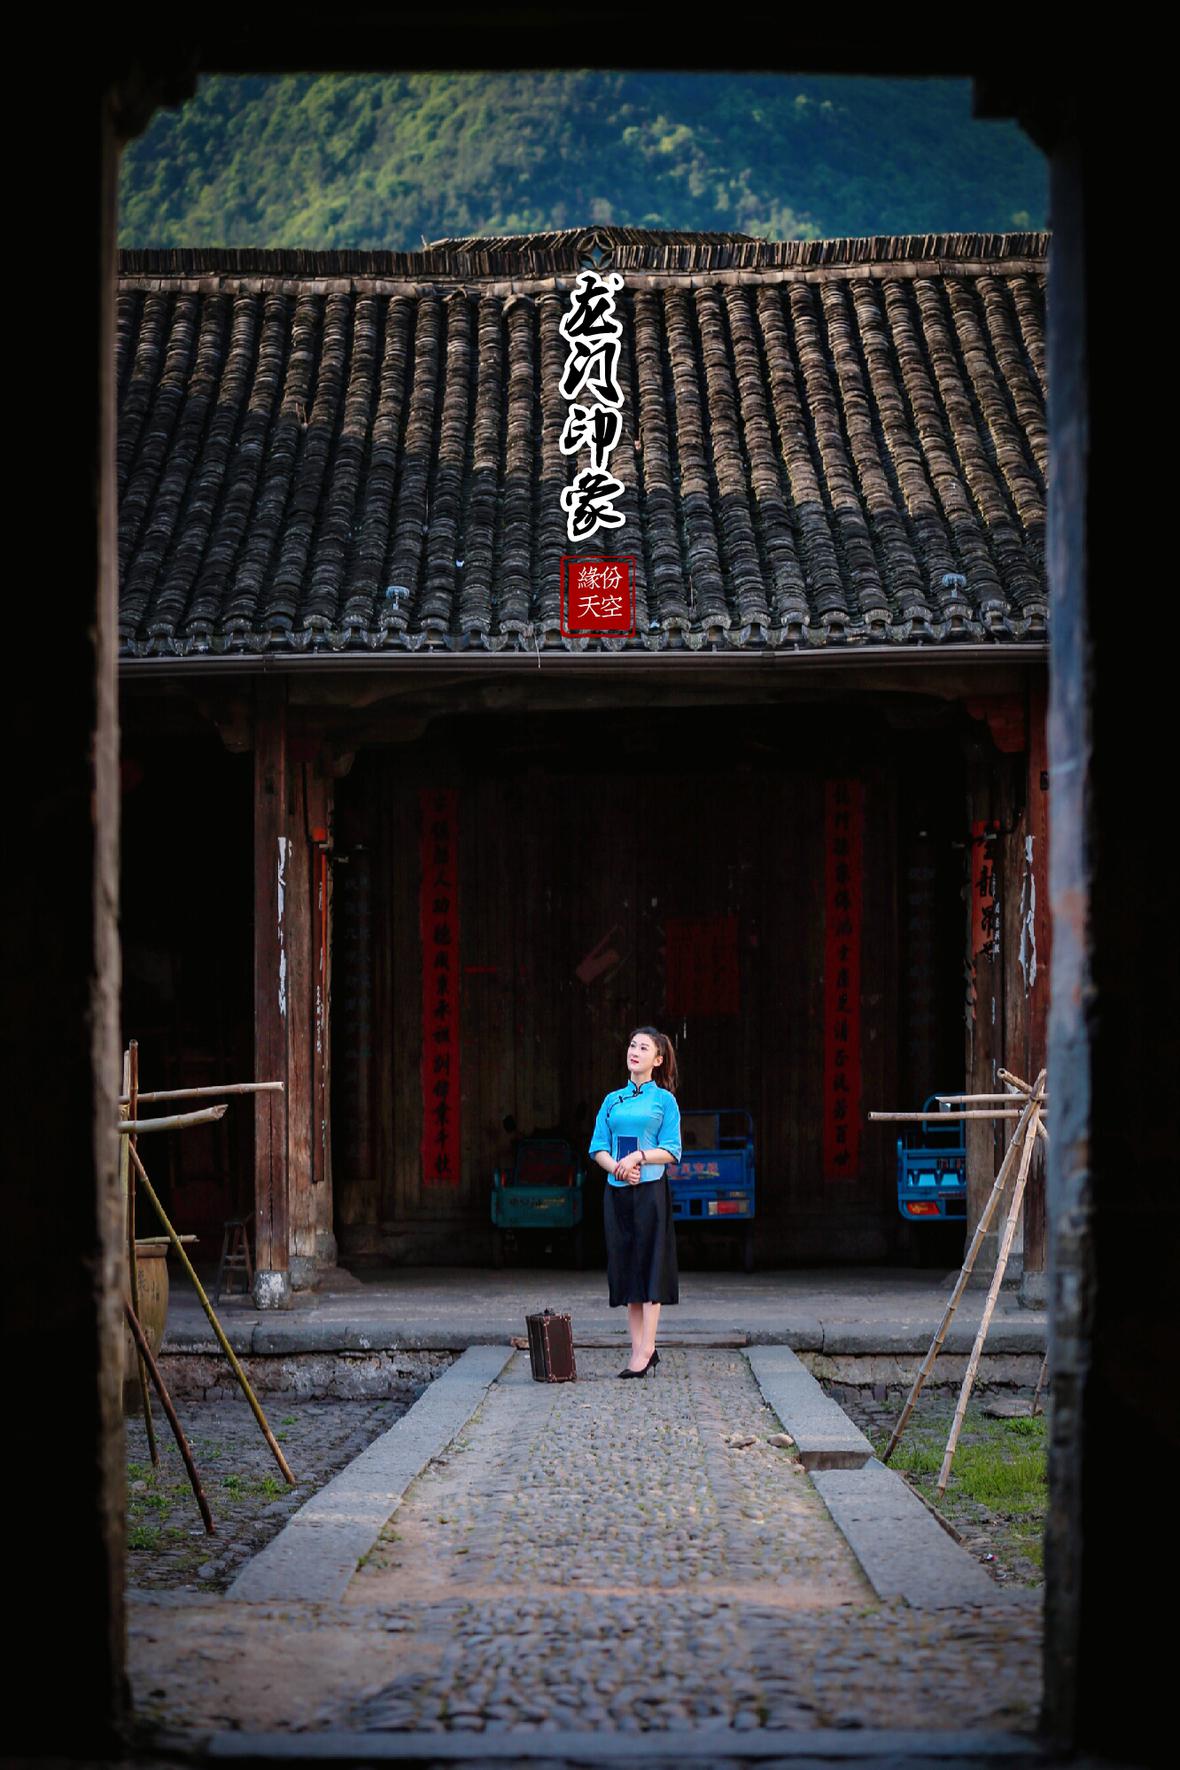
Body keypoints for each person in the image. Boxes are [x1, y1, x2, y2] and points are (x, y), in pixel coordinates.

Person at [588, 1026, 682, 1377]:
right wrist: (617, 1167)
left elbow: (672, 1150)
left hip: (650, 1191)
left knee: (651, 1265)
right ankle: (637, 1349)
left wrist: (638, 1157)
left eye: (644, 1048)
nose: (635, 1051)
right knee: (627, 1267)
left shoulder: (664, 1101)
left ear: (657, 1060)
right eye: (632, 1045)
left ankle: (647, 1348)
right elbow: (598, 1146)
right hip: (617, 1191)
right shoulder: (612, 1100)